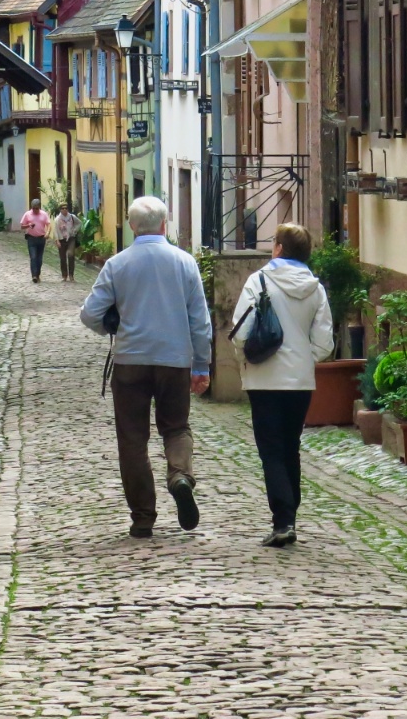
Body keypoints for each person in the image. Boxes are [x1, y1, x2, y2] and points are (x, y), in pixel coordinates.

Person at [80, 196, 212, 538]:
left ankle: (142, 517)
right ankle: (180, 476)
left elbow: (90, 314)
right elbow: (200, 321)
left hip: (130, 361)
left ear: (132, 225)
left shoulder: (117, 264)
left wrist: (112, 327)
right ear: (164, 224)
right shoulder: (184, 263)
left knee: (133, 439)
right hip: (174, 360)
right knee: (176, 427)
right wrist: (201, 365)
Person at [229, 223, 334, 548]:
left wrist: (247, 358)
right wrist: (301, 358)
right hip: (300, 381)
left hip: (264, 378)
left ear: (278, 248)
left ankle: (283, 519)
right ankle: (290, 515)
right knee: (290, 446)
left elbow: (241, 332)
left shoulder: (258, 281)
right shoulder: (315, 289)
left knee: (271, 449)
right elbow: (324, 343)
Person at [20, 199, 51, 283]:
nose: (35, 210)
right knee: (33, 257)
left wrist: (47, 232)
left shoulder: (44, 214)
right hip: (31, 238)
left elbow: (48, 224)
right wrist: (28, 225)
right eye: (33, 208)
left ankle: (37, 274)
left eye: (37, 208)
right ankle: (34, 275)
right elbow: (22, 226)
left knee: (39, 259)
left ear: (39, 207)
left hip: (41, 238)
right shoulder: (27, 214)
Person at [53, 201, 82, 282]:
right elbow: (55, 230)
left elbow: (79, 223)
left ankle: (71, 275)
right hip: (61, 239)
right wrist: (57, 240)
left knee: (71, 255)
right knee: (62, 258)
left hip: (71, 238)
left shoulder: (72, 217)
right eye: (63, 208)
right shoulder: (57, 219)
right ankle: (64, 275)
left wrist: (75, 230)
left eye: (66, 208)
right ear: (60, 210)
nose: (65, 210)